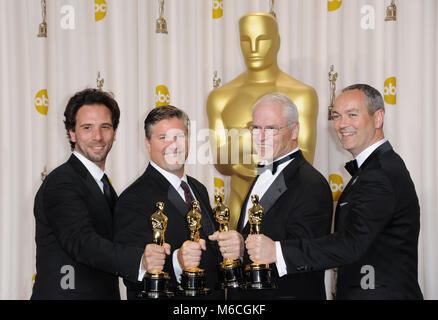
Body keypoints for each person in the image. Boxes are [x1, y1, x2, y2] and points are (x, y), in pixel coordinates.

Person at [280, 84, 423, 299]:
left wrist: (279, 252)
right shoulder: (376, 168)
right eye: (337, 116)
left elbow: (350, 243)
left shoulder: (379, 173)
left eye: (352, 115)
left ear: (378, 118)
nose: (341, 124)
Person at [209, 93, 333, 299]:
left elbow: (306, 257)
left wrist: (243, 248)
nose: (261, 137)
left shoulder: (311, 184)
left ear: (295, 131)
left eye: (271, 129)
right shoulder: (262, 174)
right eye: (256, 128)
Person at [32, 88, 147, 299]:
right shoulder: (62, 181)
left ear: (114, 132)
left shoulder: (103, 186)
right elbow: (82, 242)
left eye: (105, 127)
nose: (98, 136)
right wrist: (141, 260)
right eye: (87, 128)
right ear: (72, 133)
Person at [207, 12, 319, 229]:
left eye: (262, 39)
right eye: (246, 40)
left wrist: (241, 142)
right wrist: (256, 140)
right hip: (237, 202)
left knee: (280, 258)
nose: (254, 49)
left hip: (284, 203)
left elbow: (304, 158)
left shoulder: (301, 94)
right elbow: (220, 163)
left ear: (277, 42)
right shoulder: (221, 97)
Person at [113, 106, 220, 299]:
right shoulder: (132, 199)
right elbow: (132, 274)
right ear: (148, 143)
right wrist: (178, 262)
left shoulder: (198, 189)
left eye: (179, 136)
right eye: (163, 138)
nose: (173, 145)